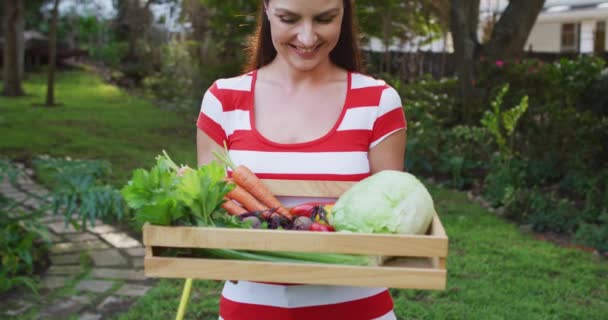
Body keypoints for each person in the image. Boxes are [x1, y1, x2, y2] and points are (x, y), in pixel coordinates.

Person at [196, 0, 406, 319]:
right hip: (251, 311)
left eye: (325, 19)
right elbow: (209, 215)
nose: (307, 38)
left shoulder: (377, 102)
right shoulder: (223, 101)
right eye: (288, 18)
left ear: (344, 13)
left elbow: (390, 226)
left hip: (357, 310)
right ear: (266, 8)